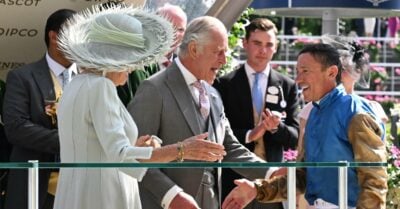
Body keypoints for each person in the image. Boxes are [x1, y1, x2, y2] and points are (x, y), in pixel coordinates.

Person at [53, 5, 226, 209]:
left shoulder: (76, 84)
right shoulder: (101, 87)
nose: (134, 68)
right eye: (132, 60)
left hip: (76, 196)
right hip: (105, 197)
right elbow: (120, 156)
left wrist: (137, 146)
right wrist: (182, 150)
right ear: (115, 59)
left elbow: (96, 146)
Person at [128, 16, 278, 209]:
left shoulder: (213, 93)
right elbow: (135, 156)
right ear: (193, 49)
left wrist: (270, 173)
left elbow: (228, 148)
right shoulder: (154, 89)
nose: (224, 60)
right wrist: (172, 196)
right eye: (218, 52)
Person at [222, 43, 387, 209]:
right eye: (298, 72)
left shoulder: (356, 113)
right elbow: (302, 177)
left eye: (305, 71)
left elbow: (374, 182)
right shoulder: (314, 112)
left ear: (331, 72)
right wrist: (257, 189)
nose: (298, 79)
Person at [214, 18, 300, 209]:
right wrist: (250, 134)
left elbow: (296, 137)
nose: (263, 50)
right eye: (257, 43)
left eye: (269, 45)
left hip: (272, 185)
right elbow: (216, 133)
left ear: (276, 47)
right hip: (235, 182)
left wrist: (277, 128)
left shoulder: (287, 86)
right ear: (245, 44)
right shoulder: (225, 84)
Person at [2, 9, 77, 209]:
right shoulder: (22, 78)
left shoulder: (92, 82)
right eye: (76, 34)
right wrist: (70, 141)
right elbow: (16, 128)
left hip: (82, 191)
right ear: (54, 37)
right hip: (36, 190)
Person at [117, 3, 187, 106]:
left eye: (180, 30)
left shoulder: (181, 70)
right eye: (170, 25)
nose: (175, 34)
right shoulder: (132, 55)